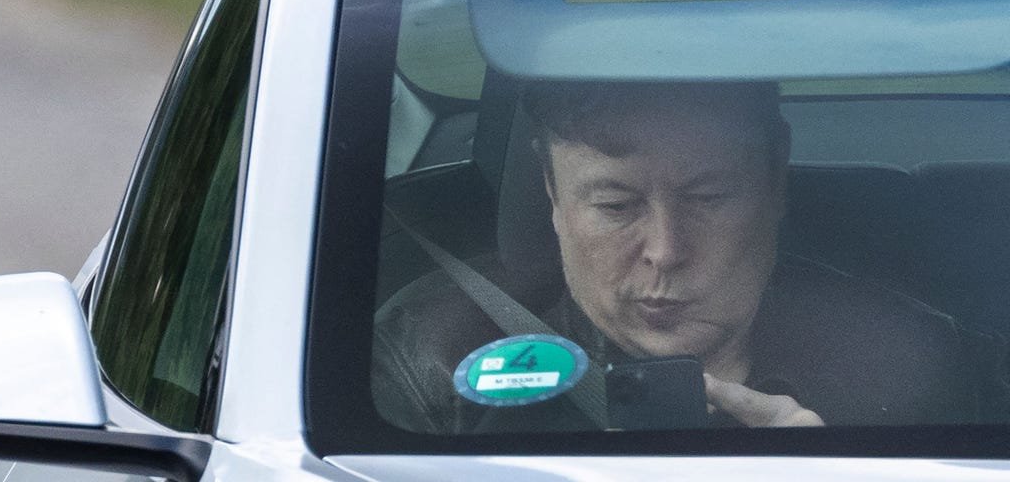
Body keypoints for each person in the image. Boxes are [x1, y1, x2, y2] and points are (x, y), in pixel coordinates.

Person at [372, 81, 1008, 434]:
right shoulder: (431, 354)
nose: (667, 251)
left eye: (710, 197)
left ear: (775, 180)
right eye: (616, 204)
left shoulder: (900, 365)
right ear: (552, 194)